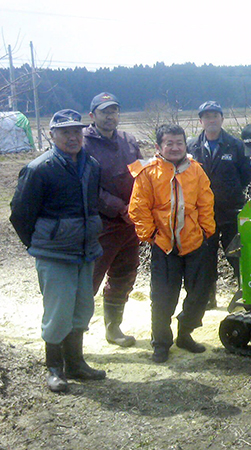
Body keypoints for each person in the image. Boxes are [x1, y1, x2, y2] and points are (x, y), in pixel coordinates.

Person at [10, 109, 106, 393]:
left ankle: (76, 363)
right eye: (65, 132)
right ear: (52, 135)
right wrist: (41, 243)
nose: (72, 137)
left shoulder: (92, 165)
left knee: (82, 309)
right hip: (55, 254)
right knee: (58, 312)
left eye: (77, 131)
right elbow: (20, 215)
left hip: (85, 252)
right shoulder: (39, 168)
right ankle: (55, 368)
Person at [128, 123, 215, 363]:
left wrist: (207, 231)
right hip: (164, 245)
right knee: (163, 298)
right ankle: (161, 343)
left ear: (185, 145)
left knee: (199, 294)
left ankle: (185, 333)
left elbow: (206, 203)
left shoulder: (196, 170)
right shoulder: (147, 172)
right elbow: (138, 208)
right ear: (159, 146)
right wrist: (151, 235)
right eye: (169, 143)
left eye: (179, 143)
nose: (175, 148)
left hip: (195, 242)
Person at [83, 92, 142, 347]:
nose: (110, 116)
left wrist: (142, 206)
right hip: (102, 225)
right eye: (105, 112)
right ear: (92, 115)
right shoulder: (84, 144)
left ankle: (113, 328)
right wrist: (120, 208)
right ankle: (72, 335)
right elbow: (86, 186)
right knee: (90, 279)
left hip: (130, 225)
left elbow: (141, 176)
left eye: (114, 111)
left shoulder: (128, 141)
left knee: (124, 274)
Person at [188, 101, 251, 309]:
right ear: (201, 121)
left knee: (237, 255)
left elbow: (245, 176)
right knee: (205, 257)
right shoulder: (192, 147)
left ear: (222, 119)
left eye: (215, 115)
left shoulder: (236, 145)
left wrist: (229, 193)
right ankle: (208, 297)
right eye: (207, 116)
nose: (211, 120)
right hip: (203, 214)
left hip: (231, 211)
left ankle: (245, 296)